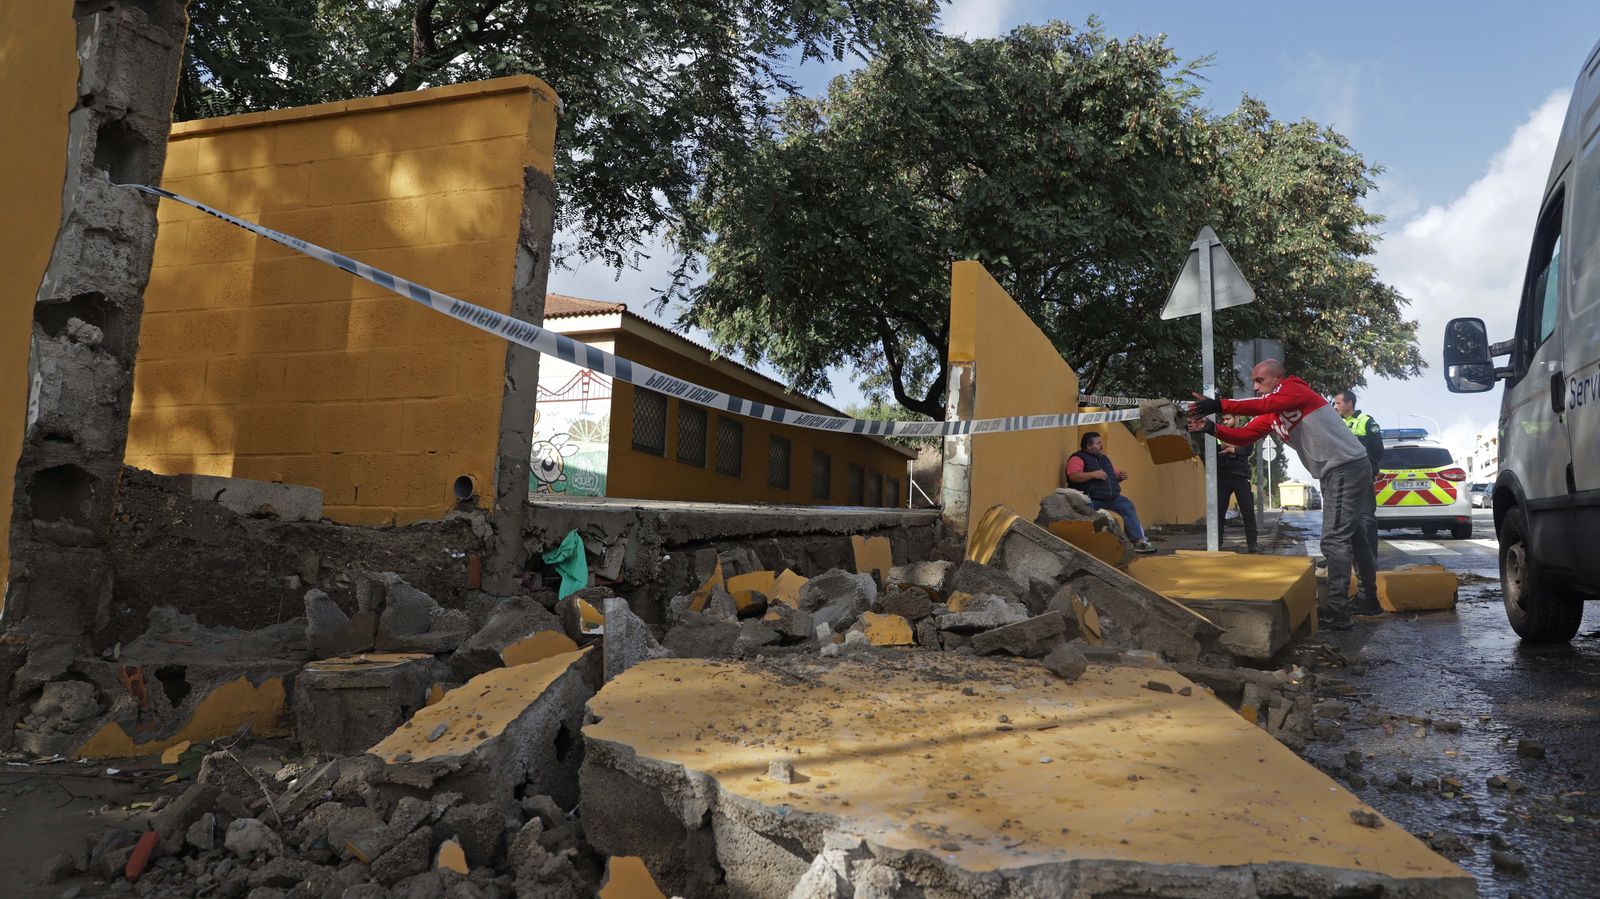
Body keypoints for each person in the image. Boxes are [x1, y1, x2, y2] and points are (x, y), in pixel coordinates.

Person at [1188, 360, 1379, 628]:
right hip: (1336, 470)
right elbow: (1243, 436)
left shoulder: (1294, 389)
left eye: (1259, 381)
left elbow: (1265, 404)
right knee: (1353, 534)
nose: (1255, 387)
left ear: (1277, 378)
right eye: (1253, 382)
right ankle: (1369, 599)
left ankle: (1338, 610)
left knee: (1334, 539)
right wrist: (1210, 428)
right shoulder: (1273, 415)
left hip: (1346, 466)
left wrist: (1220, 404)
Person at [1066, 431, 1158, 554]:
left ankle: (1139, 542)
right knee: (1089, 514)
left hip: (1112, 498)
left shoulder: (1104, 459)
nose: (1101, 445)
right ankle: (1091, 547)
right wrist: (1093, 474)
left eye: (1101, 443)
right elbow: (1073, 476)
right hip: (1090, 497)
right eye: (1098, 443)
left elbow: (1113, 475)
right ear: (1089, 446)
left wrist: (1120, 476)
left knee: (1127, 505)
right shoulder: (1077, 458)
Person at [1333, 389, 1384, 560]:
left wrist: (1370, 467)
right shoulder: (1336, 422)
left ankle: (1370, 557)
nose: (1335, 406)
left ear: (1349, 403)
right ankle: (1343, 557)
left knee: (1365, 516)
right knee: (1340, 517)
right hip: (1340, 475)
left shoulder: (1366, 421)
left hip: (1362, 475)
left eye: (1338, 403)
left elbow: (1378, 449)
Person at [1217, 414, 1259, 553]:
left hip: (1241, 477)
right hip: (1223, 477)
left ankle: (1252, 543)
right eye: (1223, 419)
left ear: (1237, 418)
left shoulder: (1244, 433)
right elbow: (1217, 449)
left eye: (1228, 419)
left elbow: (1246, 450)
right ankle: (1217, 542)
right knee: (1219, 512)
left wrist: (1229, 449)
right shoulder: (1220, 433)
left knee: (1248, 511)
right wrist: (1234, 447)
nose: (1225, 422)